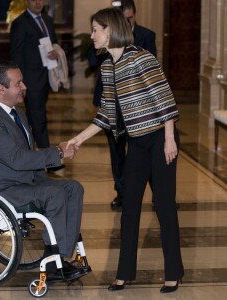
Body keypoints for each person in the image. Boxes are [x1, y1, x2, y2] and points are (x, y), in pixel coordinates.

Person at [67, 7, 184, 293]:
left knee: (164, 206)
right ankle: (124, 273)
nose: (92, 35)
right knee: (129, 208)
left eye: (96, 29)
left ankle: (174, 272)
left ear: (110, 30)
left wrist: (169, 139)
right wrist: (78, 140)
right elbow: (107, 114)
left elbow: (165, 99)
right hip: (137, 144)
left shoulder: (141, 58)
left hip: (160, 139)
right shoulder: (107, 67)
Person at [0, 61, 84, 281]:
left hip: (23, 180)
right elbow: (17, 159)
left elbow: (27, 153)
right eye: (18, 83)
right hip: (1, 187)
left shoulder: (18, 115)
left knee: (73, 188)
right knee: (55, 194)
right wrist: (57, 154)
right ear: (1, 89)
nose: (24, 86)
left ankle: (59, 257)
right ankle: (54, 263)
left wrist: (57, 151)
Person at [88, 0, 157, 208]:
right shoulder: (106, 59)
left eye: (129, 18)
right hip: (112, 102)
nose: (126, 23)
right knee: (117, 151)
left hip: (139, 110)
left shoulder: (146, 39)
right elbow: (94, 62)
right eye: (122, 19)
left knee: (145, 152)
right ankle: (122, 192)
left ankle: (158, 193)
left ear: (134, 16)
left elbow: (162, 99)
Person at [10, 0, 61, 167]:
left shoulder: (48, 20)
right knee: (39, 118)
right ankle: (49, 160)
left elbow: (53, 43)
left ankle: (31, 157)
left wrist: (55, 52)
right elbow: (16, 54)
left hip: (47, 75)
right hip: (30, 79)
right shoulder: (20, 23)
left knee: (34, 118)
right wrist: (19, 82)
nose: (38, 2)